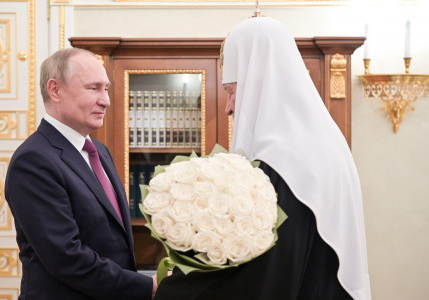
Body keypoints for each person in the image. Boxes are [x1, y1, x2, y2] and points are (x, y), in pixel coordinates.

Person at [155, 16, 371, 299]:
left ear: (259, 83)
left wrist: (176, 289)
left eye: (232, 92)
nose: (229, 108)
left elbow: (267, 278)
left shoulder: (283, 162)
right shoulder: (324, 144)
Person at [5, 48, 157, 299]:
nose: (106, 100)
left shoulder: (99, 150)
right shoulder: (33, 161)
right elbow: (66, 258)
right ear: (55, 90)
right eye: (93, 88)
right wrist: (146, 287)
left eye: (106, 88)